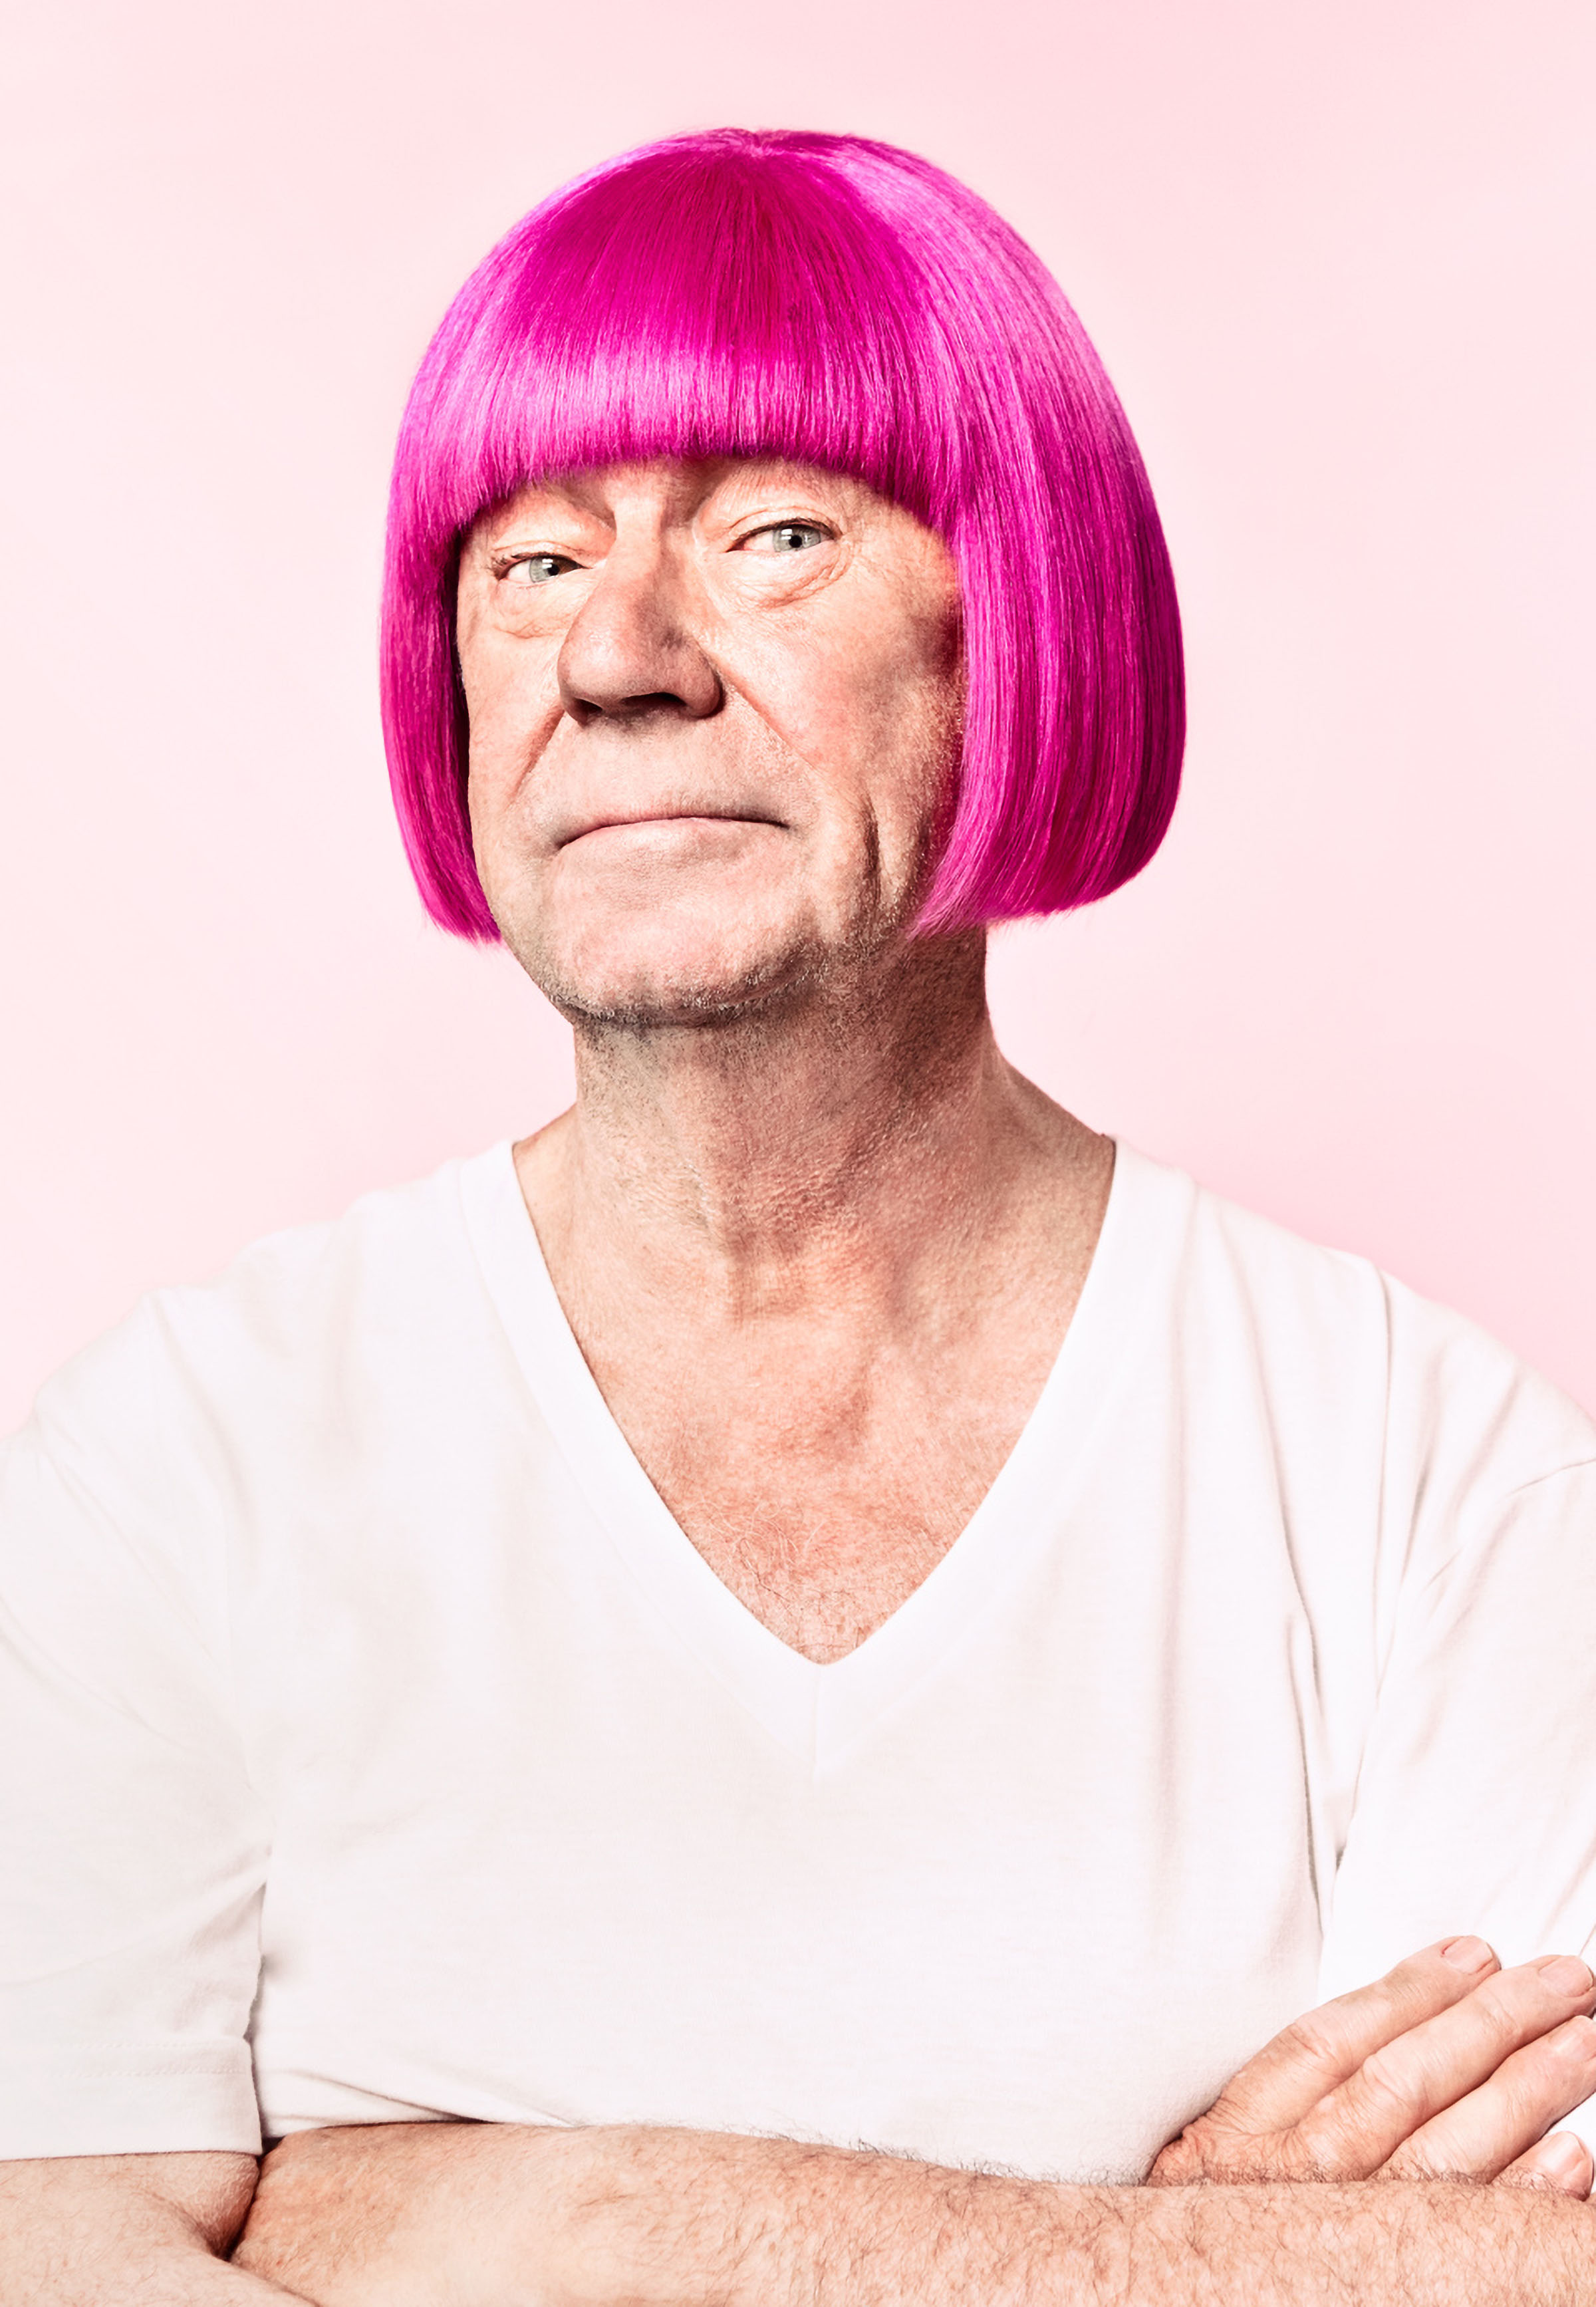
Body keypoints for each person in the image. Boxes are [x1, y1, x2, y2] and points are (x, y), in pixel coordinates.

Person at [3, 127, 1596, 2305]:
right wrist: (1229, 2253)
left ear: (1017, 623)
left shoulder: (1422, 1476)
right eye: (529, 566)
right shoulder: (171, 1465)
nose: (621, 660)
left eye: (775, 534)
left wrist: (579, 2223)